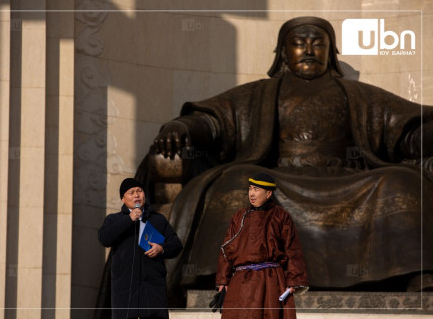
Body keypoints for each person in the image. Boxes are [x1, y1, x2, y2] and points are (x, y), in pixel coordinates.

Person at [138, 16, 433, 295]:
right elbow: (215, 123)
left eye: (317, 42)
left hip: (347, 180)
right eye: (299, 42)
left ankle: (416, 273)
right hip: (278, 178)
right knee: (237, 182)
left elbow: (409, 132)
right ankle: (230, 274)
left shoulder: (356, 94)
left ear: (330, 52)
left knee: (401, 182)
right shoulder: (259, 93)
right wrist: (180, 127)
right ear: (283, 52)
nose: (308, 49)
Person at [213, 173, 308, 319]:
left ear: (268, 193)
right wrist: (223, 281)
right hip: (242, 280)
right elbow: (226, 249)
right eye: (250, 188)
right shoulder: (239, 217)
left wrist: (294, 280)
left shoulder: (280, 216)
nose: (251, 193)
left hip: (270, 280)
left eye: (256, 189)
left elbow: (292, 249)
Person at [98, 178, 183, 319]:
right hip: (125, 290)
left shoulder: (157, 219)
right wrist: (129, 219)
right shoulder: (114, 220)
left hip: (152, 289)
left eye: (139, 191)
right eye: (131, 192)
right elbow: (104, 238)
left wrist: (161, 249)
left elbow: (176, 245)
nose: (136, 195)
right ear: (123, 199)